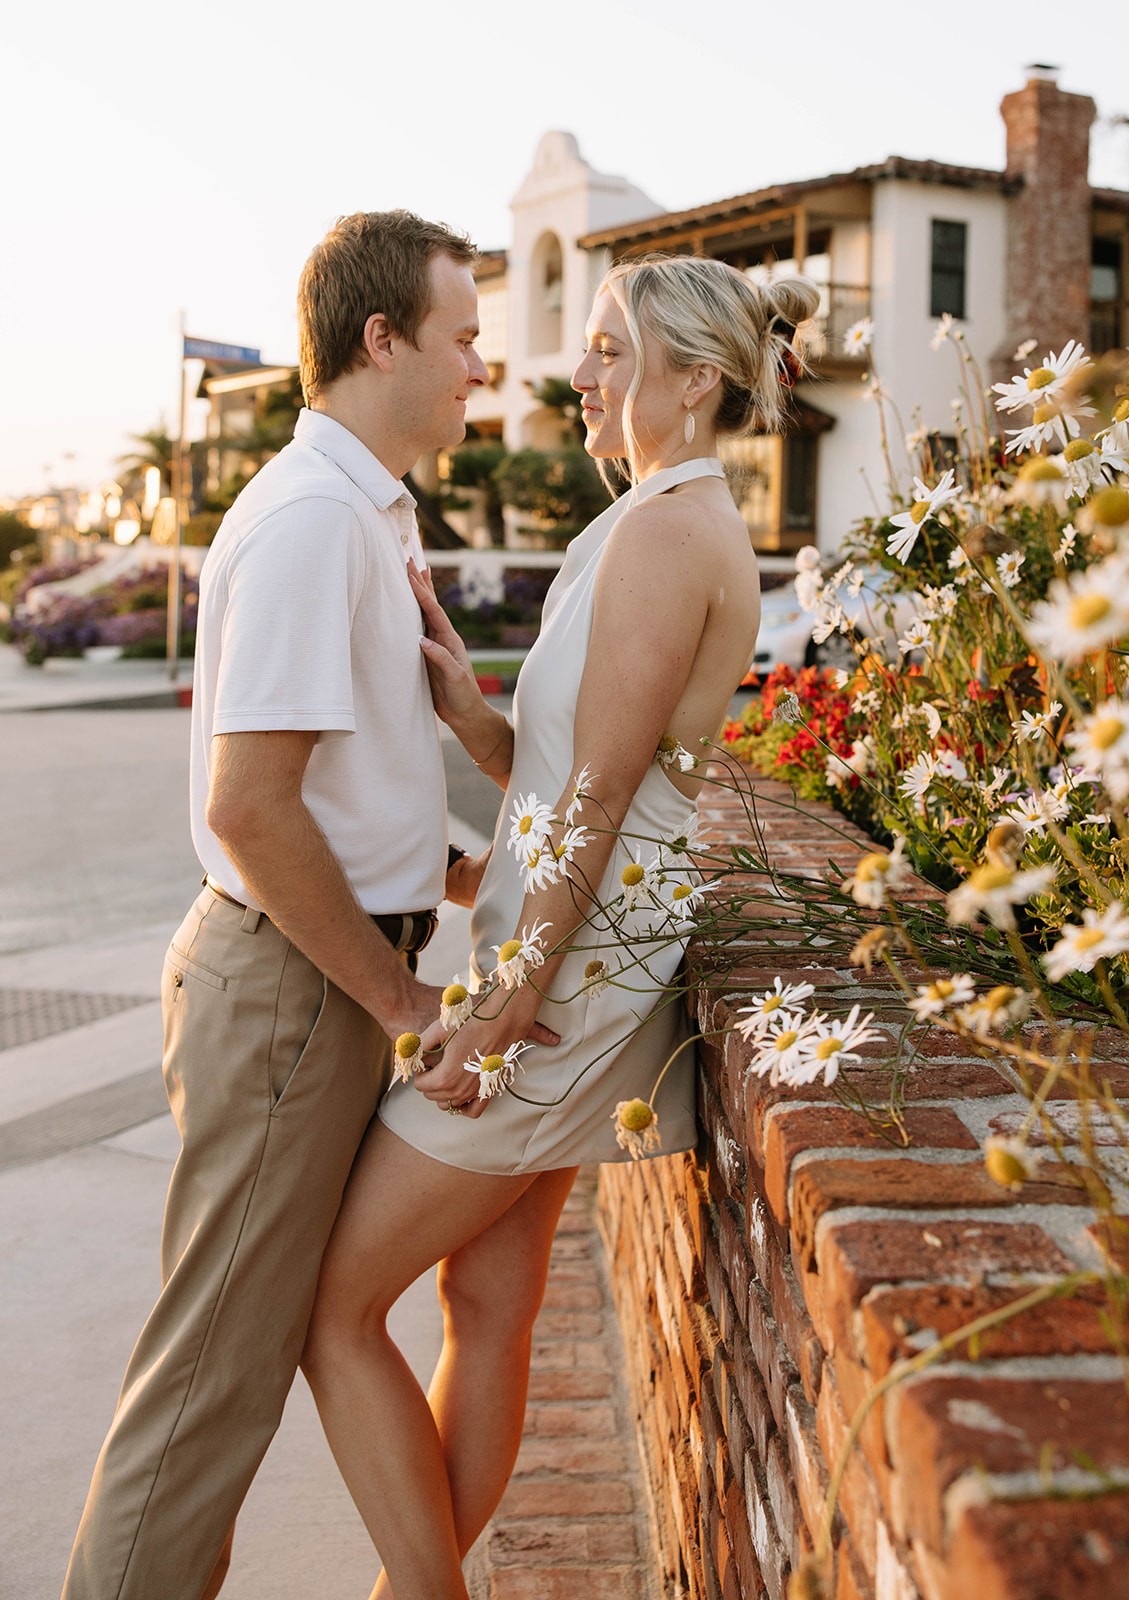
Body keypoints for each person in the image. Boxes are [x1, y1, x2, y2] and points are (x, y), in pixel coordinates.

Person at [302, 253, 820, 1599]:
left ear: (694, 378)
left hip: (575, 982)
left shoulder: (665, 532)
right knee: (486, 1303)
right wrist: (466, 707)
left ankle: (423, 1592)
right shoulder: (655, 515)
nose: (578, 373)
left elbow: (594, 803)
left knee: (333, 1305)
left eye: (606, 349)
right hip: (580, 954)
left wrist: (508, 1002)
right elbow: (580, 768)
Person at [61, 209, 536, 1600]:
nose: (478, 374)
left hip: (318, 978)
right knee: (211, 1384)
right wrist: (404, 1008)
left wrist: (469, 880)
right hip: (290, 993)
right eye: (460, 341)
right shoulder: (315, 520)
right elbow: (250, 809)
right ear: (379, 339)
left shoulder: (371, 513)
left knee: (237, 1364)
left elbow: (350, 797)